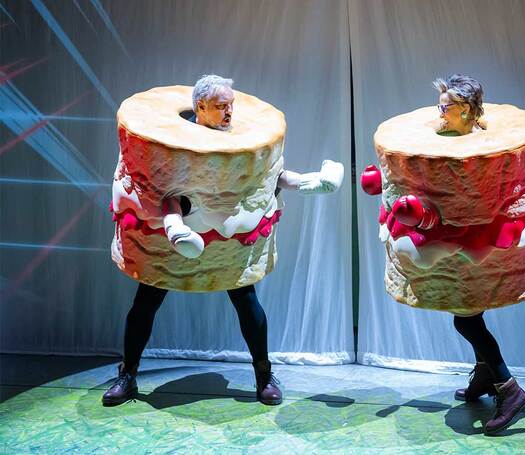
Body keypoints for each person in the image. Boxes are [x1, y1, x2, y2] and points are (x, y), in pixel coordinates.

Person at [102, 74, 344, 407]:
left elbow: (270, 176)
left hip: (227, 239)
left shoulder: (241, 140)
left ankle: (264, 376)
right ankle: (127, 375)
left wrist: (310, 182)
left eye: (231, 105)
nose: (229, 112)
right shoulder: (175, 138)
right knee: (146, 301)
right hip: (172, 230)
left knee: (246, 301)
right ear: (199, 107)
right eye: (220, 106)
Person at [434, 74, 525, 436]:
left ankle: (510, 390)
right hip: (458, 240)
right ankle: (484, 377)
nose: (441, 112)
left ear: (469, 109)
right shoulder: (447, 139)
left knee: (466, 320)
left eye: (448, 107)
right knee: (470, 313)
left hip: (477, 242)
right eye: (440, 105)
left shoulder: (479, 147)